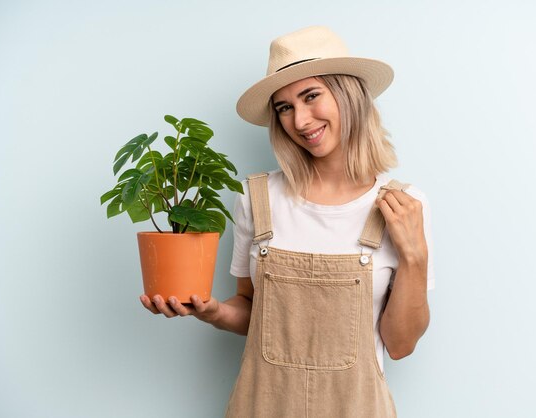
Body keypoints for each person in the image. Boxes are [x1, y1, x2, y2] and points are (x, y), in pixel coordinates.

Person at [140, 25, 434, 417]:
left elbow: (400, 345)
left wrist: (415, 256)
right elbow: (251, 309)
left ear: (348, 94)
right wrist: (213, 312)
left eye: (311, 96)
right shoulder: (257, 199)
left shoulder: (403, 206)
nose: (299, 120)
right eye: (284, 107)